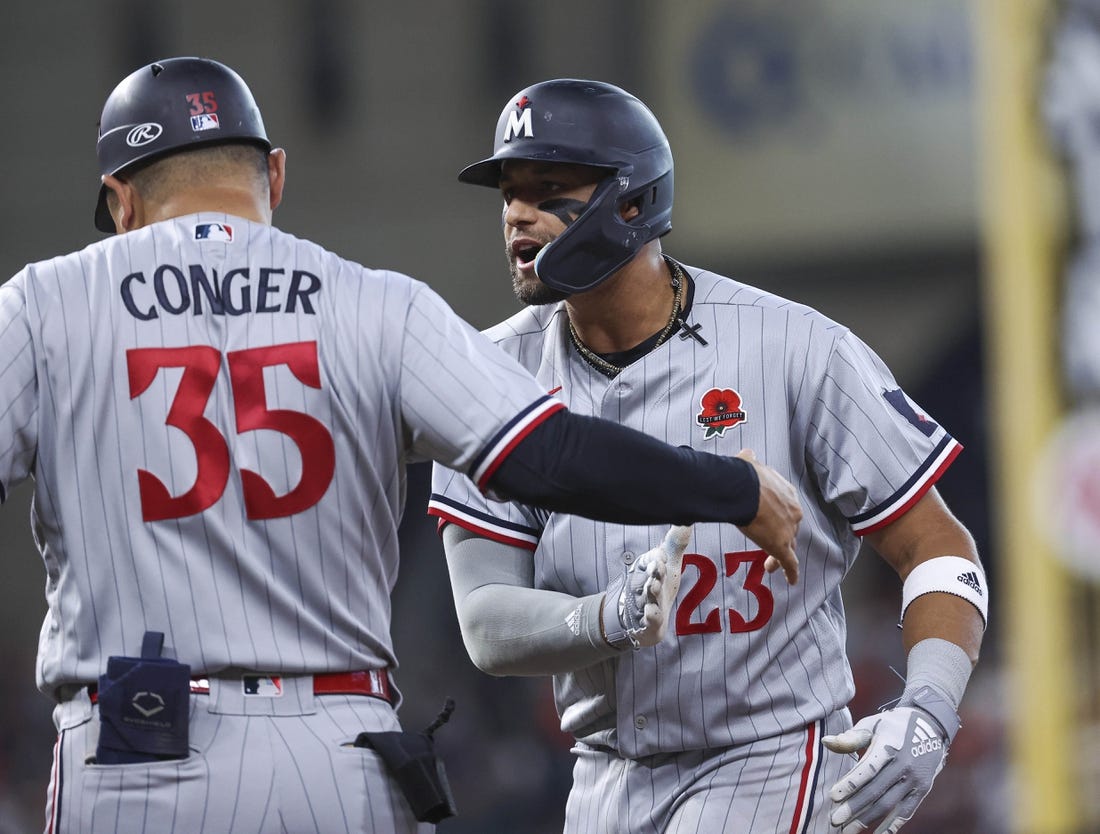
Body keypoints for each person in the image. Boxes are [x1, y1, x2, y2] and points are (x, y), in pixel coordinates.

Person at [0, 59, 806, 834]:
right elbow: (547, 456)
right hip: (337, 749)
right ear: (274, 176)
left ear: (120, 199)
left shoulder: (43, 305)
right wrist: (731, 487)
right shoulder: (376, 304)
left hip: (141, 745)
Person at [429, 78, 989, 834]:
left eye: (548, 188)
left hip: (771, 754)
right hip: (602, 774)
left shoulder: (794, 346)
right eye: (508, 193)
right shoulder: (490, 373)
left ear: (632, 203)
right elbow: (488, 626)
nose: (516, 215)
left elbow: (938, 545)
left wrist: (928, 705)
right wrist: (607, 616)